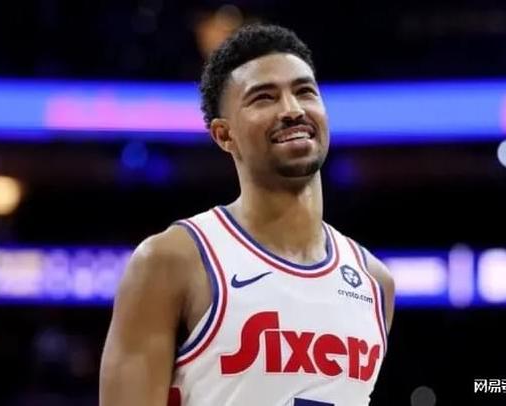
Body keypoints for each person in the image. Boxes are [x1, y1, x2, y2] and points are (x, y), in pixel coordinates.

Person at [100, 23, 395, 406]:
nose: (292, 110)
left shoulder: (375, 282)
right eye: (264, 98)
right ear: (224, 135)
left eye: (305, 91)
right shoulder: (172, 260)